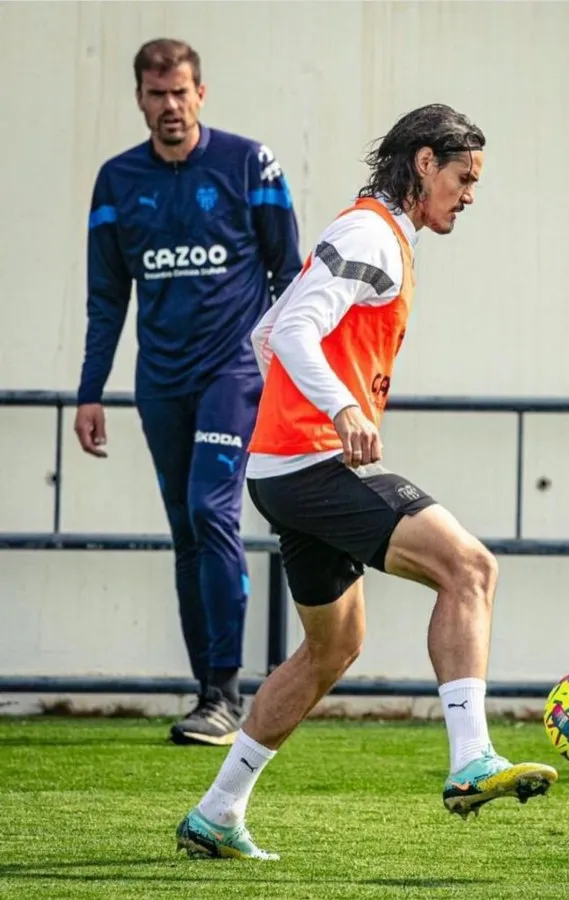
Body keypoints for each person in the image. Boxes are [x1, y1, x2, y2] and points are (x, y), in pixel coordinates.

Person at [175, 103, 558, 860]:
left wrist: (295, 419)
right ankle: (470, 759)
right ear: (423, 163)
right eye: (462, 176)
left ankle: (217, 812)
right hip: (311, 463)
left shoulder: (375, 233)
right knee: (470, 568)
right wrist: (340, 410)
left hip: (288, 465)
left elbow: (265, 331)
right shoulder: (371, 236)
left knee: (331, 648)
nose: (469, 194)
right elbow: (288, 331)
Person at [74, 38, 302, 747]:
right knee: (186, 531)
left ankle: (227, 692)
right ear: (139, 99)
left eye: (180, 92)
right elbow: (107, 297)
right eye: (155, 94)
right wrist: (89, 392)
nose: (169, 106)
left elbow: (288, 274)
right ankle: (209, 693)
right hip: (159, 382)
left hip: (232, 373)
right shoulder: (117, 182)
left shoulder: (247, 162)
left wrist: (281, 371)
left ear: (200, 93)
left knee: (212, 510)